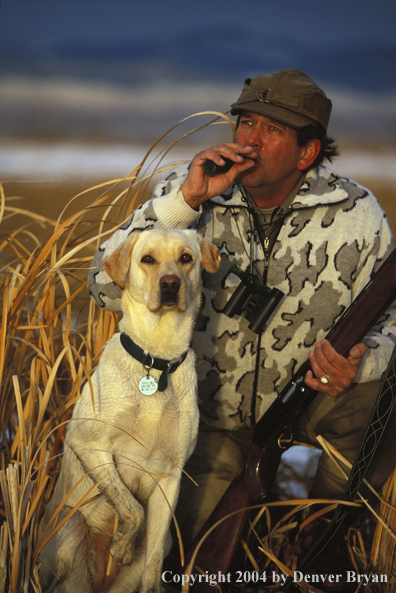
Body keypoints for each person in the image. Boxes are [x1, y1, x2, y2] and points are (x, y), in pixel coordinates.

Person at [88, 69, 396, 548]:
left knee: (380, 398)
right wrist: (187, 202)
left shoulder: (356, 214)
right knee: (194, 556)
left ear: (307, 152)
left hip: (308, 407)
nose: (250, 141)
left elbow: (392, 322)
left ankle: (323, 534)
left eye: (272, 130)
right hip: (202, 422)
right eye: (245, 123)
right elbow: (101, 287)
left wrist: (361, 361)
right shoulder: (187, 194)